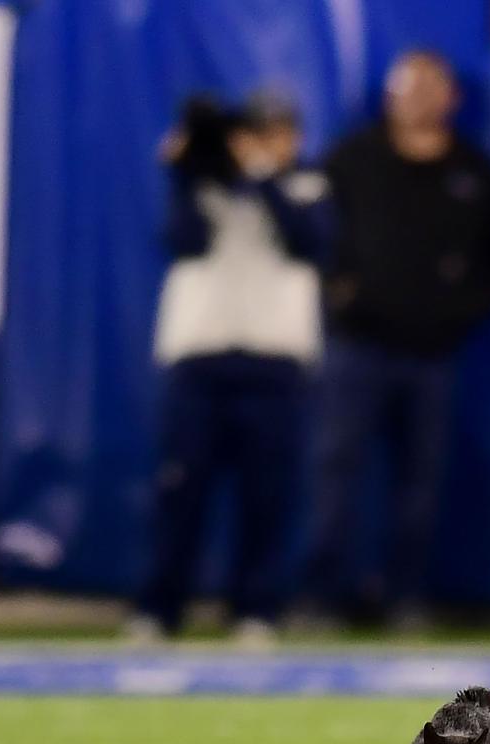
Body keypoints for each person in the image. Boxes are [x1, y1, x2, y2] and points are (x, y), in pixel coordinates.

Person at [304, 50, 490, 630]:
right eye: (410, 84)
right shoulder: (353, 159)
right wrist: (339, 292)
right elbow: (311, 239)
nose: (421, 95)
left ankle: (404, 598)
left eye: (433, 84)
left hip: (433, 353)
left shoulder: (477, 172)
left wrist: (457, 313)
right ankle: (322, 598)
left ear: (453, 98)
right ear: (390, 94)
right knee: (337, 472)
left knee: (420, 482)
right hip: (359, 344)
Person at [126, 92, 330, 647]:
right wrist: (184, 173)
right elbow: (184, 242)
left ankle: (257, 609)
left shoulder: (309, 186)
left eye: (276, 132)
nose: (262, 143)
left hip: (275, 360)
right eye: (253, 133)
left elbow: (308, 243)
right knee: (180, 489)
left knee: (267, 495)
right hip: (201, 356)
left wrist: (262, 175)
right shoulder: (201, 183)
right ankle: (159, 608)